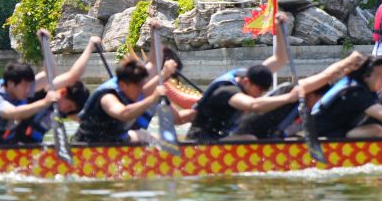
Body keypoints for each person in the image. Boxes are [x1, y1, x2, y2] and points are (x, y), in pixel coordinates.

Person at [186, 13, 302, 141]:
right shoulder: (228, 91)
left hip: (221, 135)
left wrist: (279, 29)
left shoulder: (252, 76)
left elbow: (280, 59)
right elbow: (254, 105)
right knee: (250, 138)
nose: (260, 95)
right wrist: (289, 98)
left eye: (263, 91)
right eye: (259, 90)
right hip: (201, 141)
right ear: (246, 81)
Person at [0, 33, 95, 144]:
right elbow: (14, 113)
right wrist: (44, 102)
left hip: (16, 148)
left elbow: (49, 74)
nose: (30, 90)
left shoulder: (23, 90)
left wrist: (45, 44)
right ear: (11, 83)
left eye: (30, 85)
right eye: (26, 86)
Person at [235, 52, 366, 139]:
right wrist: (348, 62)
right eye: (320, 100)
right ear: (311, 93)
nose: (322, 105)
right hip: (246, 138)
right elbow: (326, 76)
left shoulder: (306, 111)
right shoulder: (291, 91)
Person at [74, 55, 193, 143]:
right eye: (138, 87)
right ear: (123, 85)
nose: (141, 91)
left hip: (116, 139)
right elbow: (124, 113)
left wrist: (164, 74)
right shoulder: (108, 97)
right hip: (92, 146)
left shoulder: (128, 87)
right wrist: (152, 99)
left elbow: (145, 89)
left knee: (157, 139)